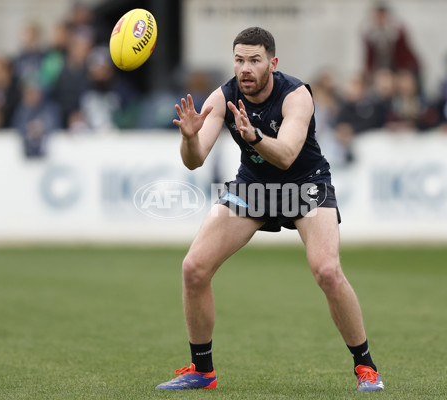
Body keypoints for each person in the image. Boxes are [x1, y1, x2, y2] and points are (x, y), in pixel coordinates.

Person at [155, 27, 384, 392]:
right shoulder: (224, 95)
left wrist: (255, 137)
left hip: (306, 184)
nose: (245, 68)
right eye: (239, 60)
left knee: (327, 271)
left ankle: (366, 367)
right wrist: (189, 138)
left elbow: (288, 154)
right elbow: (195, 161)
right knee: (194, 268)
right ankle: (202, 371)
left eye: (254, 61)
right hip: (254, 187)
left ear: (272, 63)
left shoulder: (296, 95)